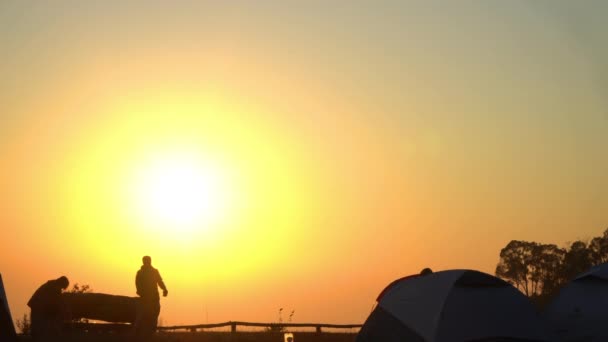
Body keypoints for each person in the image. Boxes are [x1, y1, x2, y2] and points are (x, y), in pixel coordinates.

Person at [134, 256, 167, 339]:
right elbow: (138, 283)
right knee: (145, 315)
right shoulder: (141, 272)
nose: (147, 262)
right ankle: (144, 334)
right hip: (146, 298)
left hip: (152, 298)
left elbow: (159, 282)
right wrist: (140, 291)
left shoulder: (153, 272)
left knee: (153, 315)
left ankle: (150, 334)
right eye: (146, 261)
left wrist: (164, 289)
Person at [27, 276, 69, 342]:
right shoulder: (54, 287)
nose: (62, 289)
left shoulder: (53, 284)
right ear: (61, 283)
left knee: (39, 325)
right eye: (62, 287)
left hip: (39, 305)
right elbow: (57, 301)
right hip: (37, 305)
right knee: (37, 325)